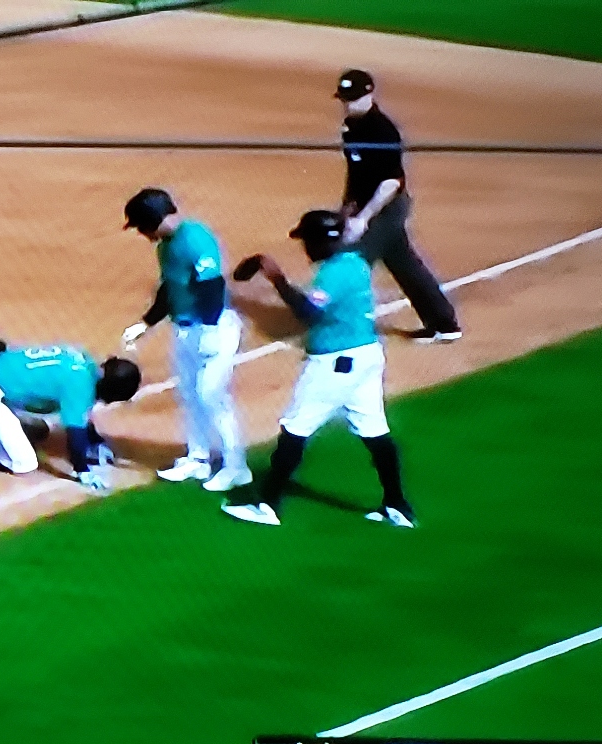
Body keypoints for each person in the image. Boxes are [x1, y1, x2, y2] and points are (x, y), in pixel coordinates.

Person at [222, 210, 416, 527]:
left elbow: (308, 313)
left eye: (307, 241)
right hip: (366, 356)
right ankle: (396, 504)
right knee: (374, 430)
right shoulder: (355, 262)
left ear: (318, 241)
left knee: (296, 427)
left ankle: (267, 505)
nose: (305, 248)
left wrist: (277, 279)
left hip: (335, 364)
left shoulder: (334, 273)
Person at [117, 188, 251, 492]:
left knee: (212, 396)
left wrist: (210, 328)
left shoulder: (195, 238)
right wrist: (145, 323)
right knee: (190, 395)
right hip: (185, 329)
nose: (141, 233)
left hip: (214, 328)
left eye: (140, 226)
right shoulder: (165, 247)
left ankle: (236, 467)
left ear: (152, 219)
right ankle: (198, 458)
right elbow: (170, 288)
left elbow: (212, 286)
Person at [335, 69, 461, 344]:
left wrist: (364, 218)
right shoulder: (350, 126)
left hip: (387, 206)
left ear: (369, 95)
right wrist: (347, 207)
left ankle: (338, 324)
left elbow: (391, 181)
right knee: (403, 262)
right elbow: (355, 172)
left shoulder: (382, 130)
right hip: (367, 204)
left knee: (350, 257)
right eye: (344, 98)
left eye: (352, 98)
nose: (347, 104)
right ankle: (443, 323)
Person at [0, 343, 141, 495]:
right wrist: (82, 470)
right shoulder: (80, 384)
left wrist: (96, 442)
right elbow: (75, 433)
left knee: (40, 425)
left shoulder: (86, 364)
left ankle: (11, 428)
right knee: (25, 464)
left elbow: (81, 416)